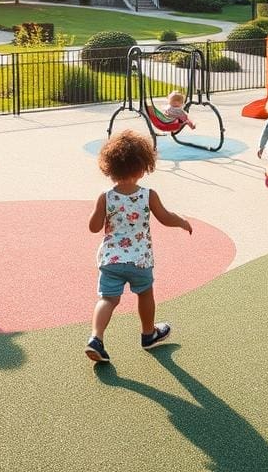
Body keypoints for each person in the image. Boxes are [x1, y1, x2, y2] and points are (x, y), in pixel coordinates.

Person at [85, 129, 193, 363]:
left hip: (111, 260)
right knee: (145, 293)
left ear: (109, 168)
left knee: (108, 299)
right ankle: (148, 333)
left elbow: (93, 227)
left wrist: (100, 214)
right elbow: (165, 217)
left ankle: (96, 337)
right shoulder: (147, 195)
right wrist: (182, 222)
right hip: (140, 260)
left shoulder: (105, 197)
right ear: (143, 167)